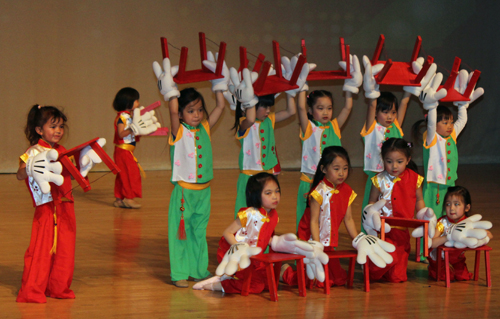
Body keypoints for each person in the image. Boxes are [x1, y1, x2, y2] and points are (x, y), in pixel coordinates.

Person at [153, 55, 228, 288]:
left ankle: (198, 269)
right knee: (181, 234)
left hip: (204, 192)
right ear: (183, 113)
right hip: (184, 193)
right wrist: (171, 92)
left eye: (199, 110)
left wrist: (218, 83)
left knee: (198, 232)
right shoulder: (178, 132)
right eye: (190, 110)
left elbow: (221, 106)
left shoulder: (204, 127)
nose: (196, 114)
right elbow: (173, 113)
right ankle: (179, 273)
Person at [16, 105, 103, 303]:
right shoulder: (34, 151)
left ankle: (58, 287)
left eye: (61, 127)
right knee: (40, 250)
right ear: (39, 130)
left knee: (65, 250)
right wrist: (29, 167)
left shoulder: (63, 151)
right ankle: (32, 291)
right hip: (46, 208)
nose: (58, 131)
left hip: (65, 206)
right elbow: (20, 174)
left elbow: (74, 177)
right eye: (53, 126)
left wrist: (84, 166)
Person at [192, 173, 328, 293]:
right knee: (257, 286)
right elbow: (227, 232)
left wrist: (281, 244)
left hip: (256, 259)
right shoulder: (248, 214)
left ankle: (281, 272)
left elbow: (266, 238)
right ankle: (218, 284)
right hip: (238, 258)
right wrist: (239, 247)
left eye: (277, 191)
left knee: (270, 284)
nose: (275, 196)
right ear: (256, 195)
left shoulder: (274, 216)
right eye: (268, 193)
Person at [360, 56, 436, 234]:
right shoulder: (371, 128)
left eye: (392, 112)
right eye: (384, 111)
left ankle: (394, 233)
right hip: (376, 175)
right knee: (370, 207)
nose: (389, 116)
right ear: (377, 112)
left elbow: (404, 102)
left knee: (394, 207)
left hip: (397, 178)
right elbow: (371, 105)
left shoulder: (396, 127)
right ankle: (368, 235)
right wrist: (372, 90)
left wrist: (410, 86)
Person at [295, 54, 362, 230]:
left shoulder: (335, 126)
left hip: (329, 184)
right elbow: (300, 107)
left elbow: (348, 107)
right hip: (309, 181)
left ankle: (325, 251)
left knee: (326, 222)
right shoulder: (308, 127)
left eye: (329, 108)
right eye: (320, 108)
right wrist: (302, 83)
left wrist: (349, 84)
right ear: (311, 110)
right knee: (305, 221)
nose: (326, 112)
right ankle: (302, 254)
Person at [281, 146, 359, 287]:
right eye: (336, 169)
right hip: (312, 239)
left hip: (328, 243)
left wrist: (358, 240)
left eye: (345, 168)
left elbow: (348, 219)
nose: (341, 173)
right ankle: (285, 272)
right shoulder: (318, 192)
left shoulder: (347, 191)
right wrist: (317, 246)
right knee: (314, 282)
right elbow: (313, 222)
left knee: (340, 279)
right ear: (323, 169)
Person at [232, 68, 297, 216]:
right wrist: (249, 101)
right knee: (245, 208)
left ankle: (264, 235)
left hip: (266, 174)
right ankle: (242, 235)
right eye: (264, 106)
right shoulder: (245, 122)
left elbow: (291, 112)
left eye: (269, 107)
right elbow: (250, 118)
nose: (268, 110)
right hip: (249, 175)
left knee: (265, 209)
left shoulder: (270, 120)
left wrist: (290, 92)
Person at [363, 138, 426, 282]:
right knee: (388, 258)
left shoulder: (415, 179)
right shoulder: (378, 180)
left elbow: (419, 199)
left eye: (399, 161)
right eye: (389, 161)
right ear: (383, 160)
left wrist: (423, 216)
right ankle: (370, 268)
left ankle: (385, 271)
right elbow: (371, 202)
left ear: (408, 160)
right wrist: (372, 217)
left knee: (397, 277)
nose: (394, 166)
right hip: (385, 230)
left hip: (403, 231)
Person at [427, 186, 493, 281]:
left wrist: (480, 239)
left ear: (467, 207)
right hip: (440, 259)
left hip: (457, 259)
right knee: (446, 277)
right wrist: (448, 237)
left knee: (463, 277)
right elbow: (432, 242)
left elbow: (489, 234)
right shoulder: (443, 222)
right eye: (448, 204)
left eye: (456, 204)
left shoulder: (468, 223)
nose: (452, 208)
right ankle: (432, 268)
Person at [112, 87, 159, 209]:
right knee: (130, 173)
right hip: (123, 151)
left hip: (126, 151)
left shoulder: (129, 117)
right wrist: (133, 128)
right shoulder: (122, 117)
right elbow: (121, 134)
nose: (138, 103)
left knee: (122, 174)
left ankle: (119, 199)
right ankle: (129, 198)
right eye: (136, 100)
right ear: (128, 102)